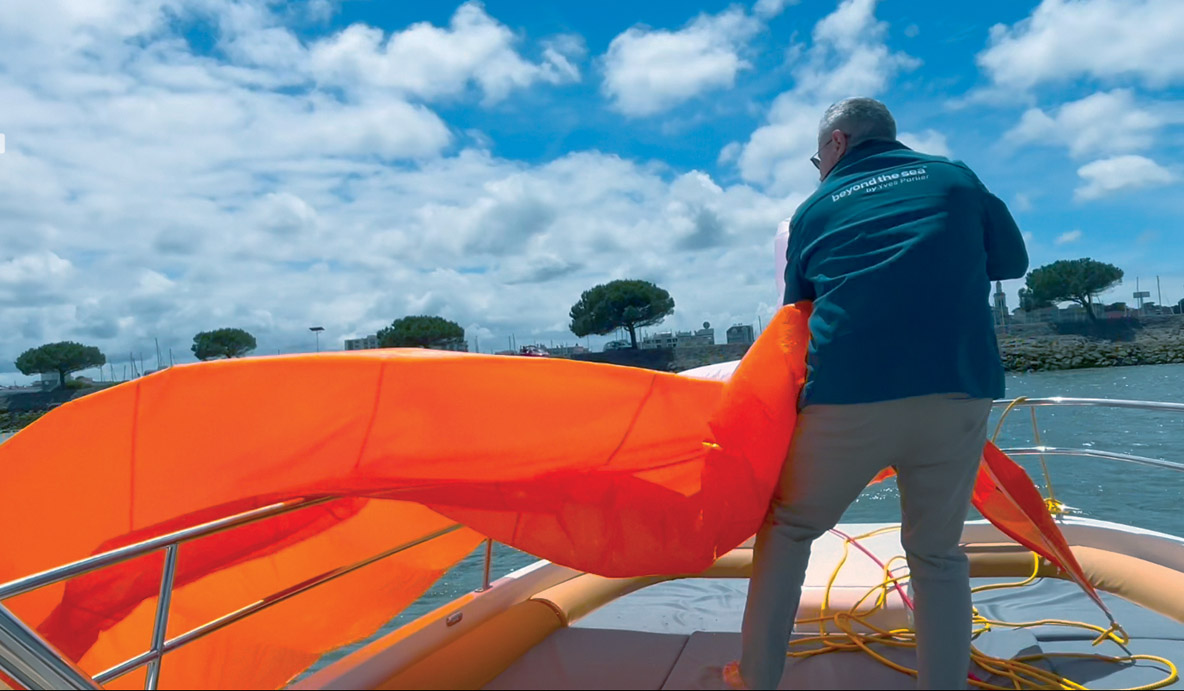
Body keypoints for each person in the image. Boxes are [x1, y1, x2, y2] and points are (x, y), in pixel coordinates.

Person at [725, 97, 1029, 690]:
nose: (819, 168)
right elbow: (1011, 262)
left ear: (837, 144)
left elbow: (798, 311)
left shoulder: (814, 207)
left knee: (789, 530)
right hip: (957, 387)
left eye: (818, 157)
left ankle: (757, 678)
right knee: (936, 552)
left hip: (850, 391)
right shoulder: (955, 176)